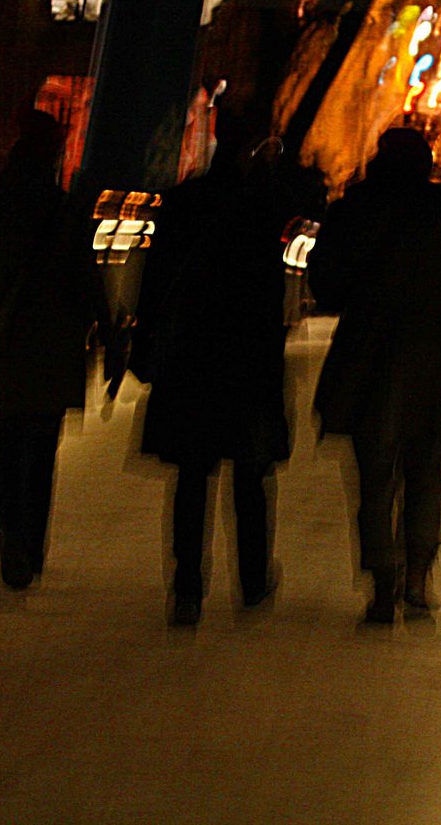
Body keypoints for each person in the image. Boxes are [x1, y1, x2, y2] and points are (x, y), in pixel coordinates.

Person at [310, 127, 441, 623]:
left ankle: (382, 582)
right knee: (426, 468)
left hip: (366, 355)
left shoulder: (353, 208)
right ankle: (419, 577)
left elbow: (327, 287)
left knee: (374, 474)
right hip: (428, 353)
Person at [132, 134, 291, 626]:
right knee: (249, 475)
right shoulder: (259, 212)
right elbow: (269, 293)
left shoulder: (182, 204)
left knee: (192, 477)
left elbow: (154, 280)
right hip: (244, 357)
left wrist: (143, 342)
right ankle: (252, 580)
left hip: (191, 355)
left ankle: (186, 589)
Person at [0, 111, 109, 595]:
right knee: (40, 450)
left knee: (3, 444)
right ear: (56, 152)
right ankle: (29, 545)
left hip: (0, 340)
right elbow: (85, 278)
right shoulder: (65, 207)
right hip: (52, 344)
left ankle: (6, 538)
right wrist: (105, 335)